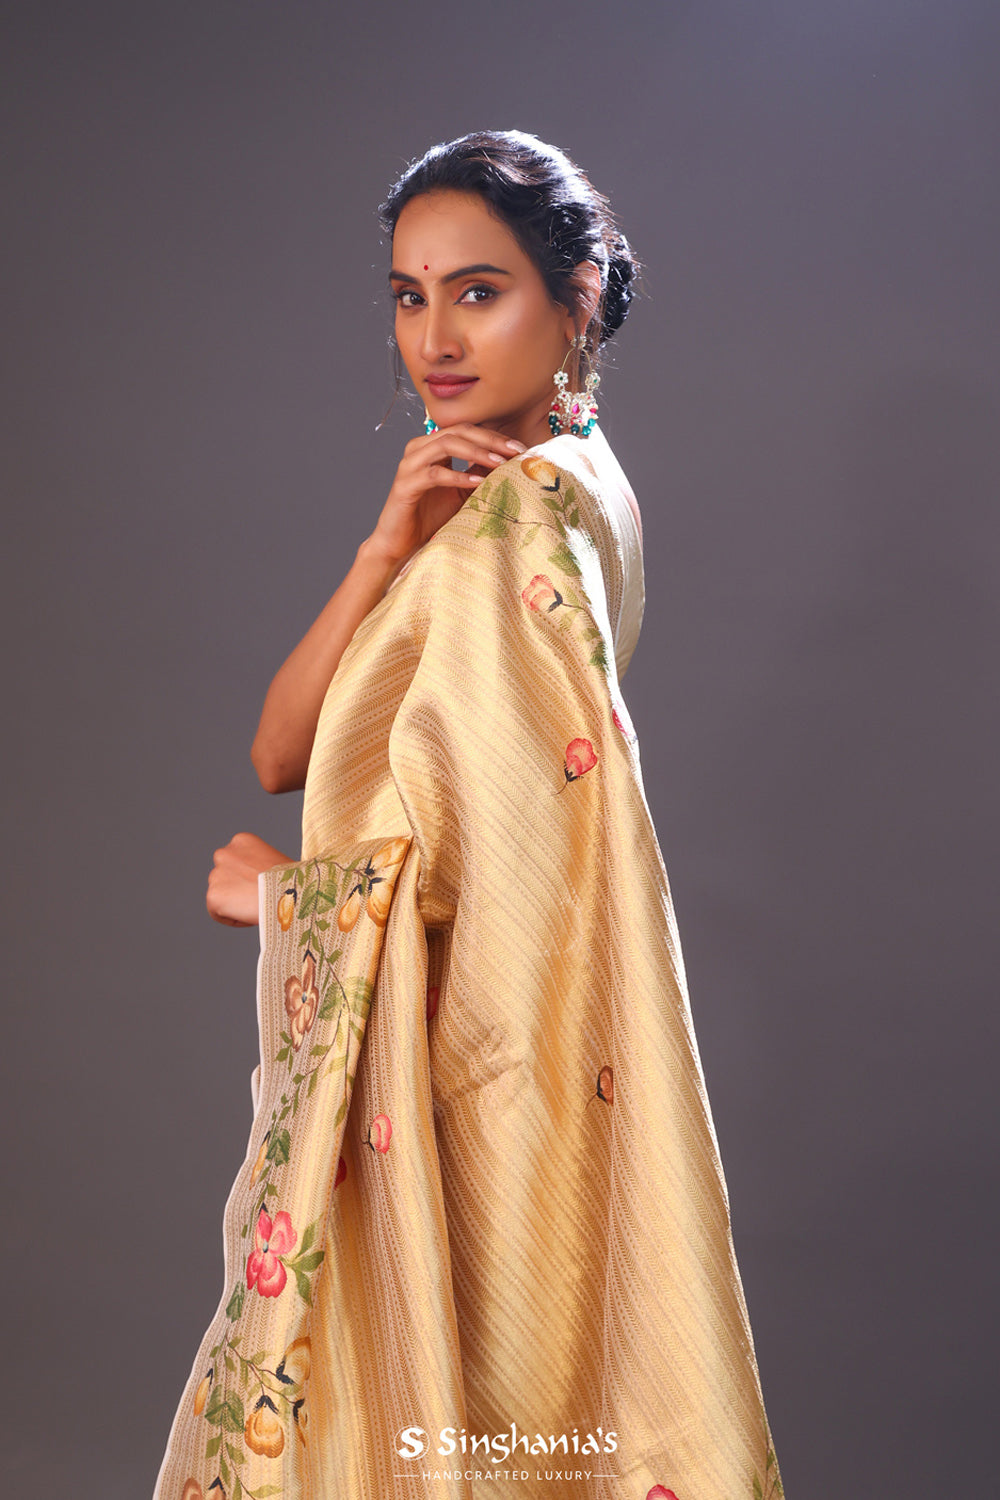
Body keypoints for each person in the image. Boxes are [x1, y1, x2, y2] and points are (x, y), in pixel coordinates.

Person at [154, 131, 785, 1500]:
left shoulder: (521, 527)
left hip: (480, 1078)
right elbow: (281, 752)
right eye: (408, 295)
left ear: (580, 298)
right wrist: (385, 545)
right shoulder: (554, 484)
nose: (433, 339)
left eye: (479, 292)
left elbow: (503, 869)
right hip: (505, 1068)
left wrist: (283, 901)